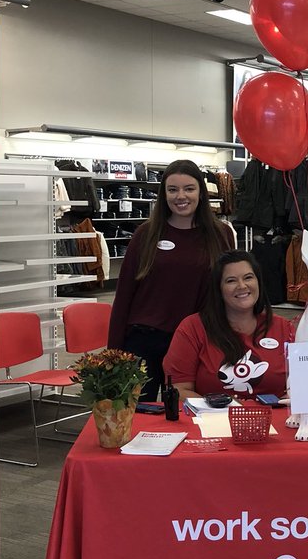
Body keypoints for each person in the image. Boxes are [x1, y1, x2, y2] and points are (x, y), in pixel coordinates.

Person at [107, 159, 234, 400]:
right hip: (144, 341)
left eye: (189, 188)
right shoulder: (146, 234)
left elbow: (228, 290)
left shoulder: (221, 234)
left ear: (201, 192)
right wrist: (113, 350)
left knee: (185, 414)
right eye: (172, 189)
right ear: (163, 193)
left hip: (196, 340)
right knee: (135, 412)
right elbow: (124, 294)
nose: (180, 196)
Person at [164, 250, 295, 398]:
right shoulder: (192, 328)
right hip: (211, 419)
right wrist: (217, 413)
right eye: (231, 280)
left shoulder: (284, 328)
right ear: (218, 289)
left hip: (273, 419)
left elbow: (303, 384)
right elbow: (179, 390)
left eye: (248, 278)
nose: (242, 286)